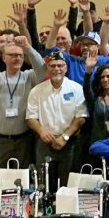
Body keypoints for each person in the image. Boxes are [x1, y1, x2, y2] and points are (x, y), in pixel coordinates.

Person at [0, 35, 46, 186]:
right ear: (4, 58)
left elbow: (42, 69)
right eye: (13, 55)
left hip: (23, 140)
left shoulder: (29, 77)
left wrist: (28, 48)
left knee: (21, 181)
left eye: (20, 55)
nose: (17, 58)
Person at [26, 52, 88, 188]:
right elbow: (31, 118)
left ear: (66, 68)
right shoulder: (36, 91)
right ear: (48, 68)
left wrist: (65, 136)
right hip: (44, 143)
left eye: (60, 65)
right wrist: (42, 132)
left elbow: (81, 117)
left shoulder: (77, 89)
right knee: (43, 184)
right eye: (53, 65)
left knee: (68, 186)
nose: (56, 69)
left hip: (69, 143)